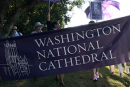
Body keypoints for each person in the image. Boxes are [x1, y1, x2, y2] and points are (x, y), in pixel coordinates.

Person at [46, 7, 65, 87]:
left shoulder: (62, 32)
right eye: (58, 24)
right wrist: (49, 12)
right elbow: (48, 21)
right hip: (53, 51)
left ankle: (61, 82)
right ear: (55, 25)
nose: (59, 25)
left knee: (62, 66)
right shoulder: (50, 30)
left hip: (60, 51)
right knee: (55, 65)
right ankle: (56, 76)